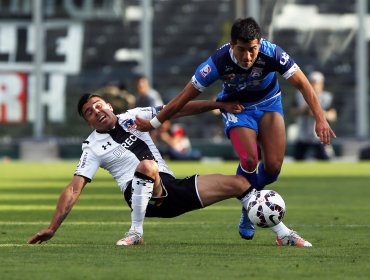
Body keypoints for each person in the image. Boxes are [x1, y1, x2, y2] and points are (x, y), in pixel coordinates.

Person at [135, 17, 336, 241]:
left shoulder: (273, 53)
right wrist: (154, 123)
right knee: (250, 160)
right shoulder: (217, 62)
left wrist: (320, 118)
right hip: (237, 107)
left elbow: (303, 83)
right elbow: (183, 97)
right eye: (242, 50)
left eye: (252, 50)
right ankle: (249, 207)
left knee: (273, 168)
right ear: (232, 45)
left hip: (269, 103)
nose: (248, 56)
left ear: (260, 43)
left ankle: (247, 205)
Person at [27, 94, 312, 247]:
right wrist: (53, 227)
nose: (96, 111)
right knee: (146, 166)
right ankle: (135, 232)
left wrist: (218, 104)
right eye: (89, 112)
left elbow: (178, 109)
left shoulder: (134, 116)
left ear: (109, 105)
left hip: (170, 190)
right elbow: (74, 187)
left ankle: (284, 234)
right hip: (142, 196)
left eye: (98, 105)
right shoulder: (92, 147)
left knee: (240, 184)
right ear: (89, 121)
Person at [292, 71, 337, 160]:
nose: (314, 85)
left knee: (327, 160)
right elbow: (293, 111)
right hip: (303, 136)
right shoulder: (299, 96)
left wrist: (318, 113)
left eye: (316, 83)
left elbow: (333, 116)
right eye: (312, 82)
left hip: (320, 137)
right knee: (298, 161)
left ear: (322, 84)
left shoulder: (327, 97)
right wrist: (304, 109)